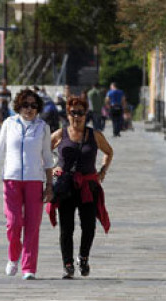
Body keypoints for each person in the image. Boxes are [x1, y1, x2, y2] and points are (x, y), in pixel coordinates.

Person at [0, 88, 55, 280]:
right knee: (14, 224)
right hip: (12, 180)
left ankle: (29, 267)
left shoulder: (43, 127)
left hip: (34, 180)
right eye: (25, 105)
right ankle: (13, 257)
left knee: (33, 225)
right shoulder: (9, 123)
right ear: (18, 106)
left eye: (33, 105)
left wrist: (49, 184)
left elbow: (47, 158)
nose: (29, 109)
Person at [48, 97, 113, 279]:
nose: (77, 116)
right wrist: (53, 170)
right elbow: (42, 153)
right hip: (65, 186)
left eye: (80, 113)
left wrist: (102, 171)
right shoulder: (60, 134)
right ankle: (67, 265)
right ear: (67, 114)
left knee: (89, 226)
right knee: (66, 228)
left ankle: (83, 258)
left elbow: (109, 152)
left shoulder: (95, 135)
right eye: (73, 113)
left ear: (86, 115)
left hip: (88, 186)